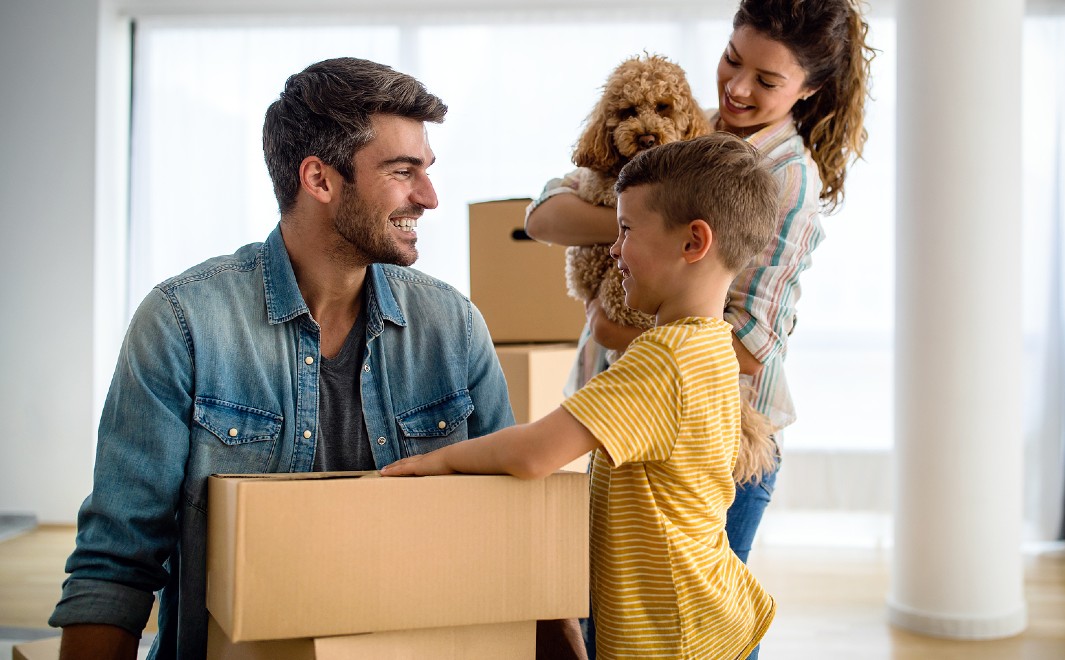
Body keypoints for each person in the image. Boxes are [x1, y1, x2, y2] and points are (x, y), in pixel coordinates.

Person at [48, 57, 515, 660]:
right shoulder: (183, 323)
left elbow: (511, 532)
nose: (428, 197)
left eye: (425, 170)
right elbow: (116, 562)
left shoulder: (452, 326)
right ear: (319, 179)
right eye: (403, 172)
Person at [525, 0, 873, 635]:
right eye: (731, 61)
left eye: (767, 81)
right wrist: (634, 222)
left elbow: (751, 343)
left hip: (719, 441)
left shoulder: (785, 181)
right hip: (632, 423)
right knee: (619, 608)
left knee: (703, 623)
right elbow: (544, 212)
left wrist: (616, 325)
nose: (737, 89)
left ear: (810, 88)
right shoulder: (691, 130)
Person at [383, 133, 782, 660]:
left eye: (625, 230)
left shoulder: (664, 359)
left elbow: (533, 454)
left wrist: (433, 460)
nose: (613, 249)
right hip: (704, 612)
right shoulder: (711, 347)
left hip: (671, 632)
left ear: (693, 242)